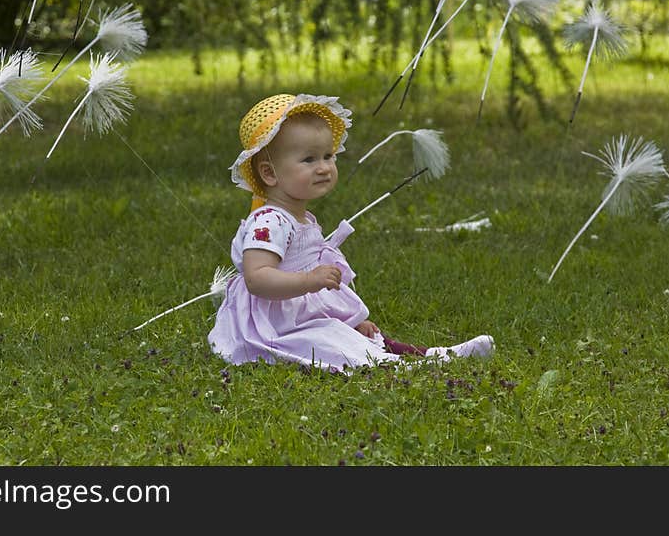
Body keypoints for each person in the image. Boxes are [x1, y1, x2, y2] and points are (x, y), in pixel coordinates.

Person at [207, 92, 494, 372]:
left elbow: (310, 298)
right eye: (309, 160)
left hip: (299, 313)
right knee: (328, 341)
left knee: (356, 335)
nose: (324, 168)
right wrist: (309, 279)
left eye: (328, 156)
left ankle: (430, 354)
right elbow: (257, 279)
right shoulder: (269, 223)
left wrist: (349, 319)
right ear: (270, 173)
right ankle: (407, 366)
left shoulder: (300, 217)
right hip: (276, 324)